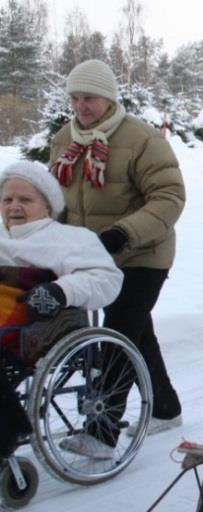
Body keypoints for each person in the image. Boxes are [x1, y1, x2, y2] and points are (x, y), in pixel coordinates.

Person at [49, 59, 186, 455]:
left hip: (142, 253)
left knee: (120, 331)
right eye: (74, 98)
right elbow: (55, 196)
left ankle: (102, 431)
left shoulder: (143, 139)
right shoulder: (65, 139)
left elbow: (169, 197)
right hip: (89, 256)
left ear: (108, 97)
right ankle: (165, 406)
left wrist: (122, 234)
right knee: (137, 329)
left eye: (88, 97)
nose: (81, 106)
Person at [0, 161, 122, 459]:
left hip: (32, 326)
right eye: (7, 199)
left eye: (25, 200)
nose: (14, 206)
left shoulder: (72, 239)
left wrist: (59, 291)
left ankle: (9, 431)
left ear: (47, 205)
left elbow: (106, 279)